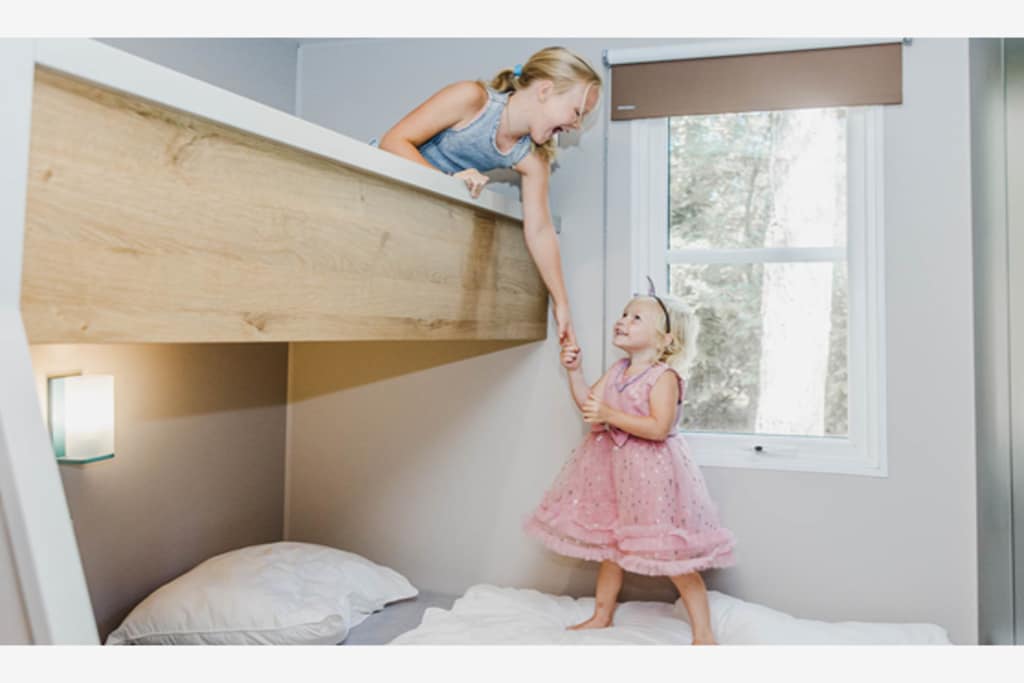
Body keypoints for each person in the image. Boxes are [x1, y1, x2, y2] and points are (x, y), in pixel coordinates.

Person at [524, 278, 736, 644]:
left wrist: (611, 414)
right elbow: (590, 406)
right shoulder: (619, 370)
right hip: (614, 471)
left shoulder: (664, 377)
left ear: (665, 340)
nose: (623, 321)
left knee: (672, 554)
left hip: (651, 475)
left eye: (636, 317)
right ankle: (601, 615)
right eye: (624, 314)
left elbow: (658, 428)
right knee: (612, 546)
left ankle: (704, 635)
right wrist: (575, 372)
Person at [376, 46, 602, 350]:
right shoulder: (472, 99)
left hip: (414, 208)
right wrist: (447, 182)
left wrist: (561, 303)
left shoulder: (532, 158)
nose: (576, 126)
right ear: (546, 90)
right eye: (577, 113)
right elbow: (393, 142)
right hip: (378, 185)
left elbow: (540, 230)